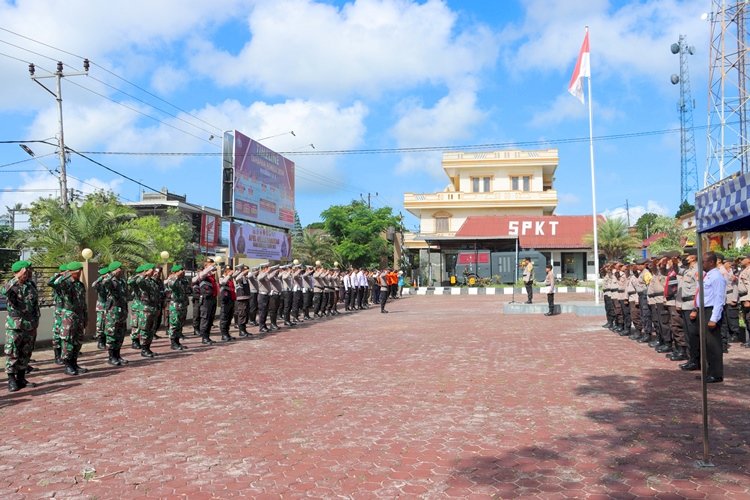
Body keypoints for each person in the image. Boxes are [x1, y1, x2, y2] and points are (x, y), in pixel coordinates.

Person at [2, 260, 40, 392]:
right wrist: (17, 277)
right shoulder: (10, 285)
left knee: (26, 352)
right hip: (15, 325)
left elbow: (35, 304)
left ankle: (21, 378)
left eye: (29, 271)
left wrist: (36, 321)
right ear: (19, 272)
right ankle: (11, 379)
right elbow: (3, 292)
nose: (28, 273)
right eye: (26, 271)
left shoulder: (31, 285)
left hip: (29, 324)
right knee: (12, 352)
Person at [688, 251, 726, 383]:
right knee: (705, 344)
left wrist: (714, 318)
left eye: (703, 261)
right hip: (703, 311)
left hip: (711, 312)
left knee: (713, 344)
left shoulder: (717, 277)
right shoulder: (706, 276)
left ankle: (716, 374)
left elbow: (719, 299)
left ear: (711, 262)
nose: (701, 263)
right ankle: (709, 371)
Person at [51, 261, 88, 375]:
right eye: (78, 271)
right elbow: (52, 283)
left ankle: (74, 363)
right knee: (68, 341)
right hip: (69, 316)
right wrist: (65, 274)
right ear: (74, 272)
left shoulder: (80, 285)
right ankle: (68, 365)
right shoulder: (66, 284)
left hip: (79, 315)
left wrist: (85, 315)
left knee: (78, 341)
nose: (80, 273)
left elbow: (83, 302)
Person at [165, 264, 190, 350]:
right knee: (174, 324)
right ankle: (173, 343)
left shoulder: (183, 280)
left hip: (183, 304)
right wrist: (176, 276)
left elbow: (188, 288)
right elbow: (171, 285)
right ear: (175, 272)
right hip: (175, 305)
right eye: (180, 270)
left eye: (183, 270)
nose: (183, 271)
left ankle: (177, 341)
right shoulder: (172, 279)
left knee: (180, 324)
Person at [91, 266, 110, 350]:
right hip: (101, 306)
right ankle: (100, 342)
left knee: (108, 324)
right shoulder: (99, 284)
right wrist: (100, 278)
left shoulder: (109, 282)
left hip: (109, 306)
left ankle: (105, 340)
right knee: (100, 325)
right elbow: (93, 285)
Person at [218, 266, 237, 341]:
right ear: (225, 271)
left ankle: (227, 333)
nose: (230, 272)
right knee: (224, 317)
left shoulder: (230, 279)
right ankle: (224, 334)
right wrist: (228, 275)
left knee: (229, 317)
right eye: (228, 270)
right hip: (225, 301)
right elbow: (222, 283)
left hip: (231, 300)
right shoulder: (222, 278)